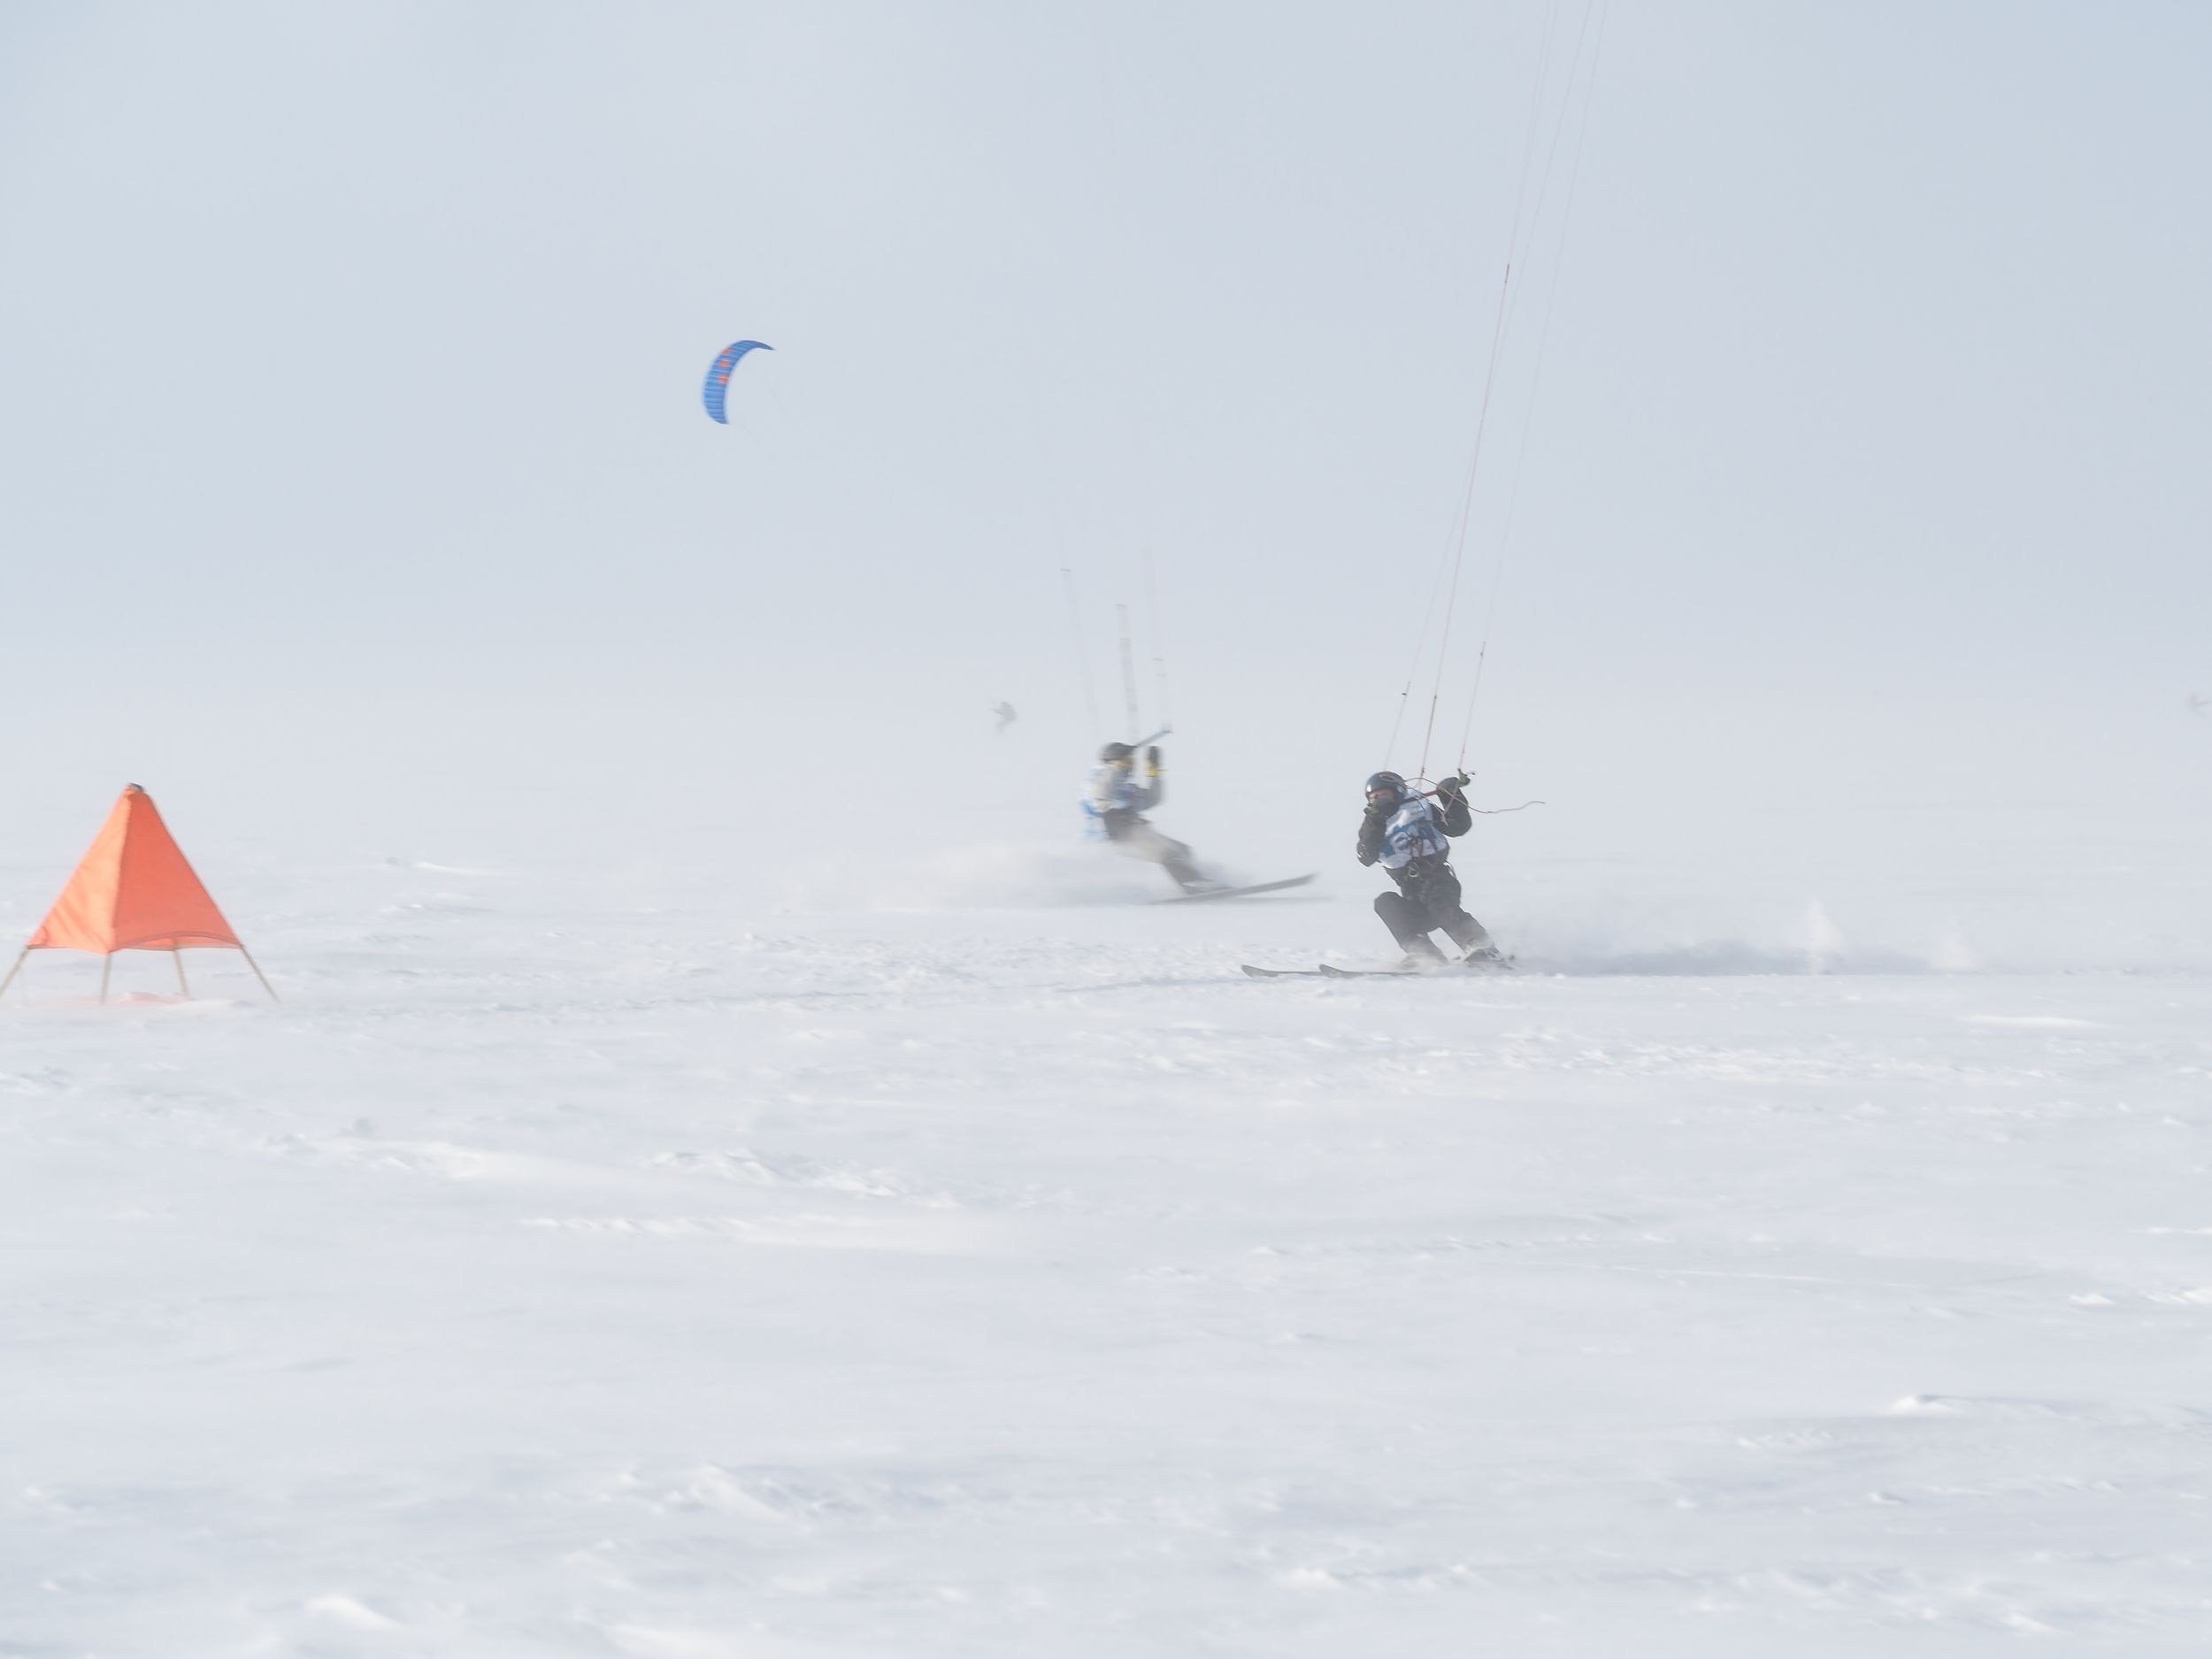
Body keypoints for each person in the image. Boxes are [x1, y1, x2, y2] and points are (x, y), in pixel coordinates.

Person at [1356, 770, 1502, 966]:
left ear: (1398, 792)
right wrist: (1376, 819)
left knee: (1439, 902)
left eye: (1383, 795)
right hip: (1412, 895)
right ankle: (1425, 954)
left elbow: (1458, 827)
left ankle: (1482, 947)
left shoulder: (1418, 809)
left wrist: (1451, 795)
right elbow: (1366, 856)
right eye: (1373, 798)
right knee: (1384, 902)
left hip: (1439, 880)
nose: (1378, 800)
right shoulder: (1374, 824)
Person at [1084, 741, 1210, 892]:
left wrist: (1153, 770)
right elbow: (1102, 791)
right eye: (1125, 761)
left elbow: (1153, 799)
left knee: (1183, 850)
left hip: (1136, 832)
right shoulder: (1100, 784)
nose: (1129, 766)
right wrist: (1115, 766)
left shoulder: (1127, 789)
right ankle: (1193, 884)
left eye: (1131, 761)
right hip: (1119, 836)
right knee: (1167, 852)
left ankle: (1201, 881)